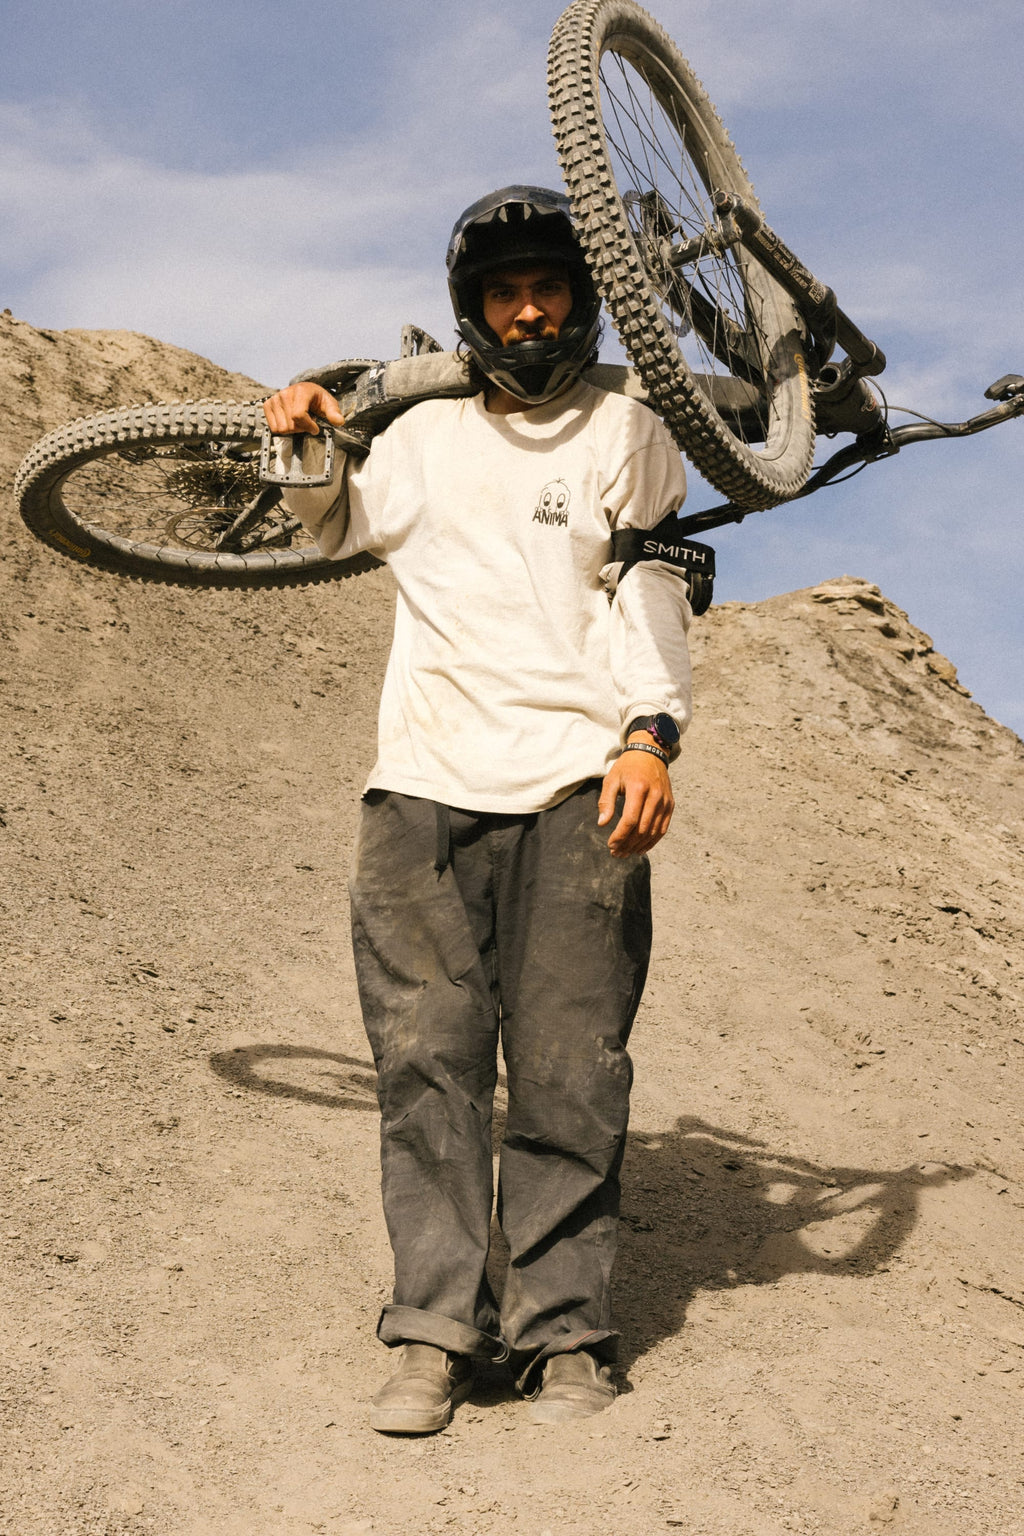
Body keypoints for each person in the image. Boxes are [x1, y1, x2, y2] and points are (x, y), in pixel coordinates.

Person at [262, 185, 693, 1432]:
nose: (526, 309)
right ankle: (437, 1335)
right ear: (472, 312)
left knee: (567, 1069)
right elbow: (327, 522)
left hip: (576, 785)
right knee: (427, 1068)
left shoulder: (626, 425)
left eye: (546, 287)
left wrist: (651, 737)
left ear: (579, 296)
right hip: (417, 793)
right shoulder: (423, 437)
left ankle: (566, 1337)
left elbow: (654, 587)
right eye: (503, 292)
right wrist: (299, 434)